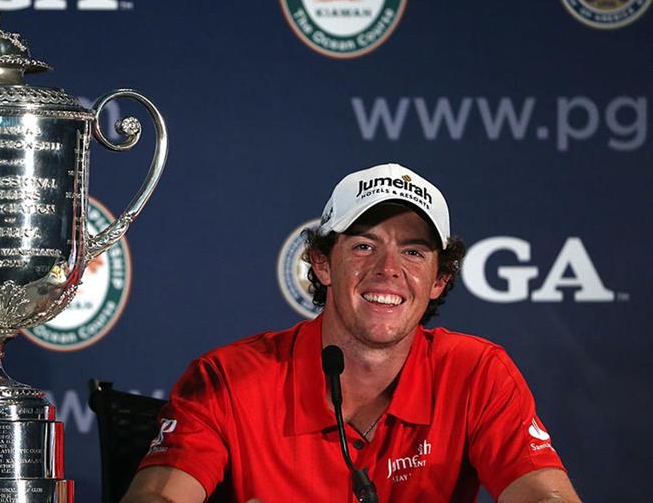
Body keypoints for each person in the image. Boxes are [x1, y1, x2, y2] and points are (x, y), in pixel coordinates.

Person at [122, 163, 581, 503]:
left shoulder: (477, 372)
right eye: (364, 246)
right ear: (322, 263)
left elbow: (547, 496)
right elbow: (157, 496)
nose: (388, 270)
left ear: (439, 279)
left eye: (414, 252)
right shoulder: (228, 376)